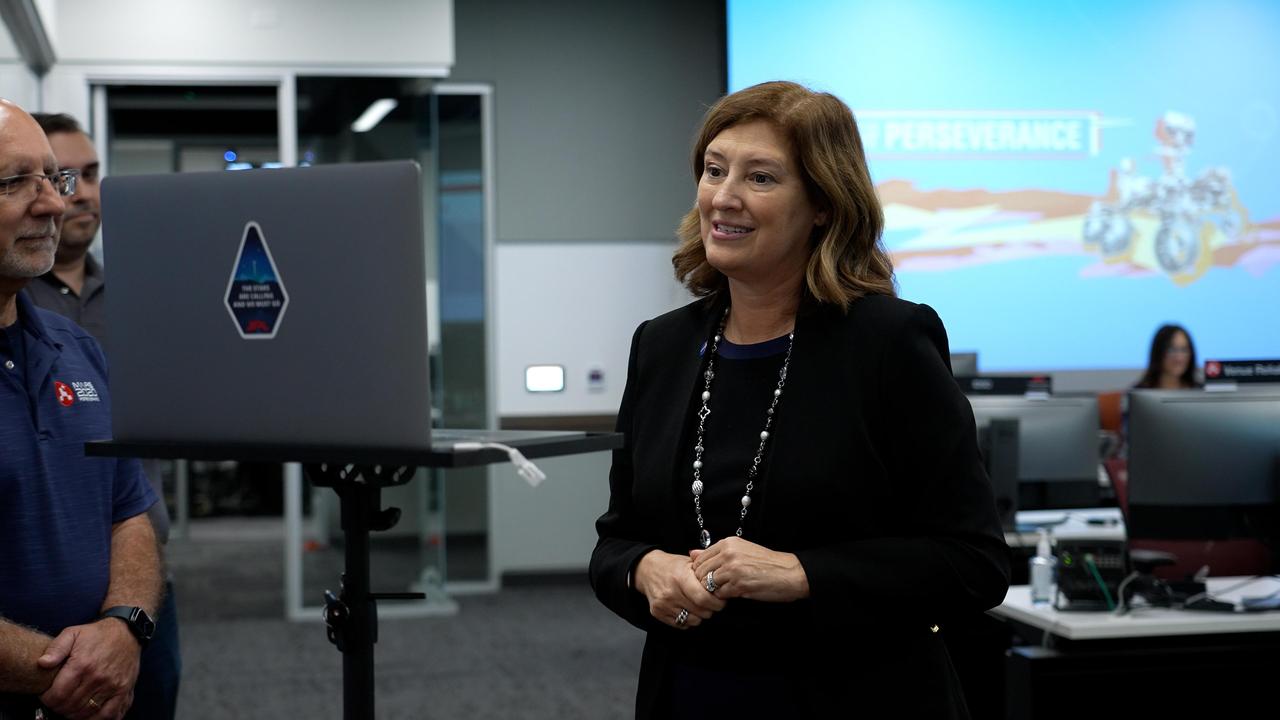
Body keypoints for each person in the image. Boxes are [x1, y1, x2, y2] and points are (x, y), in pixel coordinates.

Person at [589, 81, 1011, 719]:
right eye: (713, 170)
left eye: (760, 178)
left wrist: (802, 574)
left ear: (822, 204)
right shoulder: (663, 346)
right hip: (692, 691)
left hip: (856, 696)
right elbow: (615, 541)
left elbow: (974, 563)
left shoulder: (888, 342)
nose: (723, 197)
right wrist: (645, 570)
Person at [0, 98, 163, 720]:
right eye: (16, 182)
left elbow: (131, 509)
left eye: (52, 178)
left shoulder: (78, 351)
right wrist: (74, 668)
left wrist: (124, 626)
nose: (52, 203)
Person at [1134, 323, 1201, 389]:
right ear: (1159, 352)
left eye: (1184, 350)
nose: (1179, 358)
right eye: (1171, 350)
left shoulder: (1201, 391)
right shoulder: (1139, 392)